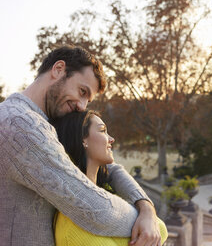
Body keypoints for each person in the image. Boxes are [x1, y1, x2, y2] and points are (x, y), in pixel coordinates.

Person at [0, 46, 161, 246]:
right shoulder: (19, 124)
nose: (82, 106)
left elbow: (109, 168)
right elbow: (92, 207)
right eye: (82, 91)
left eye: (88, 99)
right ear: (58, 69)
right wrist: (154, 225)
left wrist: (146, 207)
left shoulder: (48, 123)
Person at [52, 110, 168, 245]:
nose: (111, 139)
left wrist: (147, 210)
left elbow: (159, 228)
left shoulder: (111, 194)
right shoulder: (73, 226)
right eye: (102, 131)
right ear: (82, 139)